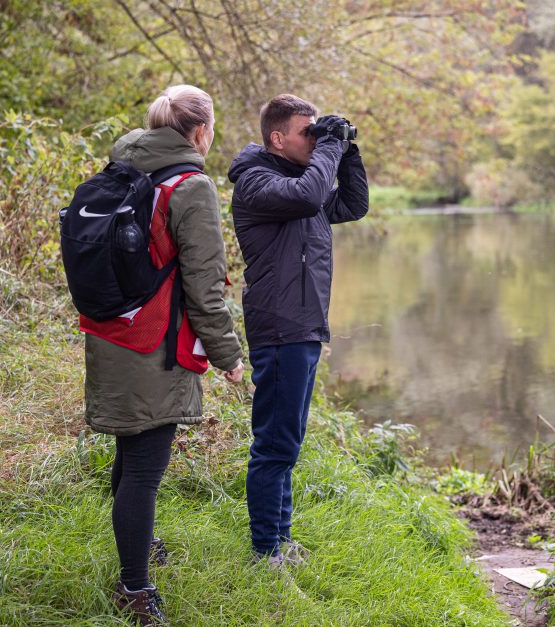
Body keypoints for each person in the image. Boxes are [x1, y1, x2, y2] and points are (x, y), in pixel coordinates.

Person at [83, 84, 244, 626]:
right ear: (200, 131)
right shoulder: (189, 185)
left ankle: (140, 545)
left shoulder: (120, 168)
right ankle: (133, 590)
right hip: (154, 339)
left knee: (132, 450)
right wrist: (228, 354)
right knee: (146, 467)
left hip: (110, 327)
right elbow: (204, 284)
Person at [227, 94, 369, 564]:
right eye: (307, 132)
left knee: (288, 441)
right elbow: (311, 195)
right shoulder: (257, 182)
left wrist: (347, 149)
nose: (315, 139)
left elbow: (352, 203)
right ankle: (266, 549)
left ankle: (281, 542)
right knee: (274, 444)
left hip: (303, 325)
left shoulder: (298, 181)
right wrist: (327, 146)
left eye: (317, 131)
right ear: (277, 137)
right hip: (280, 325)